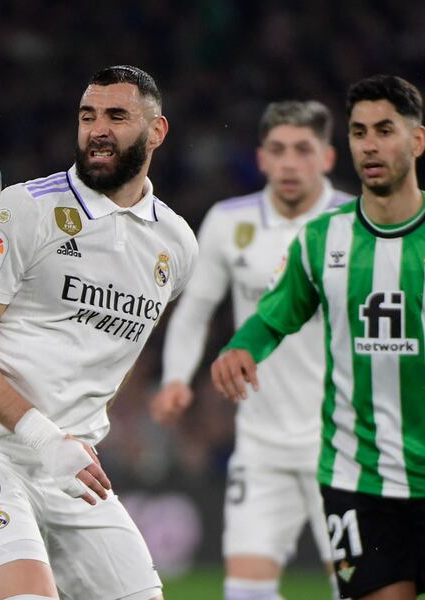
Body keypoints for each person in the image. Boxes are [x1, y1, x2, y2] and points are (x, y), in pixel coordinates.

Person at [0, 65, 198, 600]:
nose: (97, 129)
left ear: (157, 131)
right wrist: (44, 436)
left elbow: (108, 357)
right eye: (87, 115)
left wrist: (73, 436)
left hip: (75, 470)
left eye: (116, 116)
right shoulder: (26, 209)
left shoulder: (177, 248)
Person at [212, 74, 425, 600]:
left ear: (417, 140)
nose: (370, 145)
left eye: (384, 130)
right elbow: (275, 316)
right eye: (358, 132)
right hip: (359, 480)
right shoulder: (321, 237)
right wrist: (242, 347)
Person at [152, 101, 352, 600]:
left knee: (357, 590)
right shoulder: (228, 221)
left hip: (344, 446)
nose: (289, 163)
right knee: (244, 593)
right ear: (261, 159)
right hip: (260, 446)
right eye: (278, 150)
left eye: (303, 150)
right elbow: (194, 310)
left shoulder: (353, 222)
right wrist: (177, 378)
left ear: (327, 158)